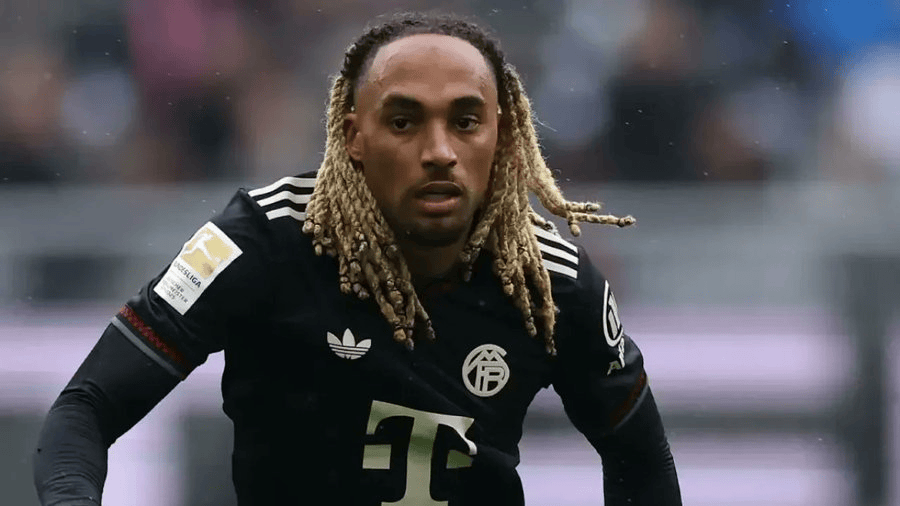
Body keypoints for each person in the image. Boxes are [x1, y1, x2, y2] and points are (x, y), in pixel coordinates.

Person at [33, 12, 682, 506]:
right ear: (353, 138)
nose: (439, 151)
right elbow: (86, 408)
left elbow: (643, 463)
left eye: (465, 121)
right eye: (404, 121)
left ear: (503, 136)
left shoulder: (553, 281)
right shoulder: (262, 239)